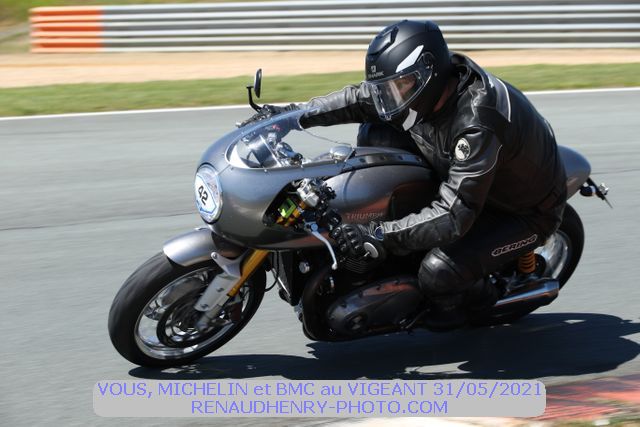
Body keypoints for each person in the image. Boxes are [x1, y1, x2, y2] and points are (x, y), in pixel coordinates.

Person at [242, 20, 567, 330]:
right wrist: (291, 116)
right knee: (376, 131)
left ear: (429, 73)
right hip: (462, 172)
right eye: (387, 88)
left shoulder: (476, 124)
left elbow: (455, 216)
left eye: (398, 87)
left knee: (438, 274)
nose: (390, 96)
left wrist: (377, 234)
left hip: (518, 210)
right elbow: (359, 98)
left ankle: (475, 305)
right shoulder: (425, 87)